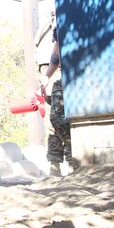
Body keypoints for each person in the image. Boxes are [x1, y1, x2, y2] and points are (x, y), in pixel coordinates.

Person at [37, 12, 75, 176]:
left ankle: (73, 158)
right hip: (57, 78)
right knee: (54, 120)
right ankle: (56, 164)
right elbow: (56, 52)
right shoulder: (50, 28)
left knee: (65, 119)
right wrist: (46, 77)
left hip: (78, 77)